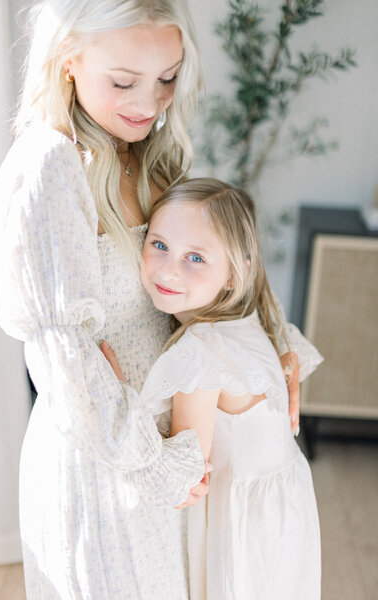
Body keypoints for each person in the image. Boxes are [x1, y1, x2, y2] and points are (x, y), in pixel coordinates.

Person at [0, 1, 317, 598]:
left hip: (176, 447)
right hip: (110, 459)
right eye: (123, 81)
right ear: (68, 61)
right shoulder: (49, 168)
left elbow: (212, 262)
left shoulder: (146, 151)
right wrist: (152, 462)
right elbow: (64, 356)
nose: (149, 102)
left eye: (168, 77)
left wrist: (271, 344)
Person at [134, 178, 322, 599]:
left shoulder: (200, 353)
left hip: (242, 520)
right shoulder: (251, 318)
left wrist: (116, 394)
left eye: (195, 257)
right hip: (284, 507)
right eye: (159, 244)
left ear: (233, 276)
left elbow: (184, 470)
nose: (168, 269)